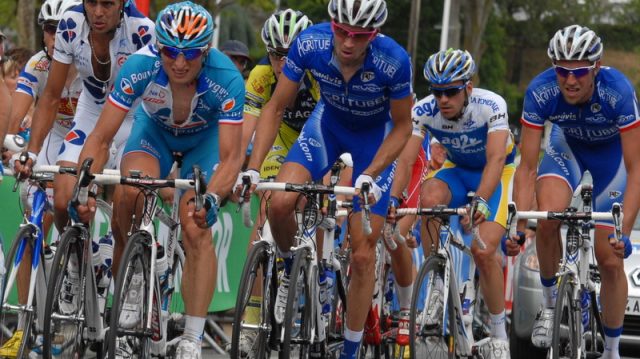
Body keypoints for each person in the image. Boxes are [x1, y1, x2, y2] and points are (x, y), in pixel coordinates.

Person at [238, 0, 413, 357]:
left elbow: (403, 126)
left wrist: (370, 174)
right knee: (280, 203)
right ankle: (290, 269)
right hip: (326, 128)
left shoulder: (394, 60)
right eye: (341, 32)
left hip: (373, 142)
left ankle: (349, 351)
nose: (348, 42)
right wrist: (254, 167)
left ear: (373, 35)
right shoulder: (310, 44)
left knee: (364, 255)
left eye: (359, 35)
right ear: (331, 24)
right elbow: (275, 107)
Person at [75, 2, 245, 358]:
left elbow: (231, 158)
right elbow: (102, 137)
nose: (179, 63)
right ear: (159, 47)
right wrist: (84, 182)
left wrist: (212, 197)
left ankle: (191, 339)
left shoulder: (226, 76)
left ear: (206, 51)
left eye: (190, 55)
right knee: (128, 192)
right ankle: (127, 299)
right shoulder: (140, 66)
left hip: (205, 141)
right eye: (170, 52)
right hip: (154, 134)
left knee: (196, 226)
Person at [514, 25, 638, 358]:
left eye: (579, 72)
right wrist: (520, 225)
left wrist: (622, 232)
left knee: (610, 258)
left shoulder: (618, 91)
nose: (570, 80)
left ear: (596, 67)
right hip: (565, 148)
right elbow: (526, 167)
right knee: (549, 215)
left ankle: (611, 350)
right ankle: (551, 305)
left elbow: (637, 166)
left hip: (610, 162)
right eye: (562, 71)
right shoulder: (540, 91)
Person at [397, 48, 515, 357]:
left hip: (496, 174)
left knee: (483, 250)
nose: (443, 99)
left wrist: (482, 201)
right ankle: (437, 282)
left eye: (451, 91)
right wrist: (395, 199)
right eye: (437, 92)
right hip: (458, 171)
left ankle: (499, 333)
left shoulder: (491, 106)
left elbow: (496, 158)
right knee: (431, 196)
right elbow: (408, 159)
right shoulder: (424, 110)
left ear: (468, 88)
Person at [14, 0, 155, 233]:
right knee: (62, 200)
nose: (98, 12)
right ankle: (74, 262)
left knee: (126, 209)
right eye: (91, 2)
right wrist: (32, 151)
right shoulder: (71, 23)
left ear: (121, 3)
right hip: (92, 113)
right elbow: (50, 95)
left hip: (134, 117)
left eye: (107, 4)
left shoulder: (142, 30)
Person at [0, 1, 83, 356]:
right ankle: (24, 326)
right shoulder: (37, 63)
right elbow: (18, 110)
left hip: (88, 136)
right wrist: (10, 139)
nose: (54, 36)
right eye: (48, 28)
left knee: (79, 206)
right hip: (51, 137)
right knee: (33, 223)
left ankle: (86, 266)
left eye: (60, 27)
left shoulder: (88, 61)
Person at [233, 8, 316, 355]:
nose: (283, 64)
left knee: (308, 198)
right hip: (281, 137)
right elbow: (247, 129)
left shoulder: (319, 76)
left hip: (316, 136)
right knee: (268, 204)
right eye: (276, 55)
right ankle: (253, 322)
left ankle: (316, 273)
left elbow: (329, 130)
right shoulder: (261, 76)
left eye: (291, 55)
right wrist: (242, 170)